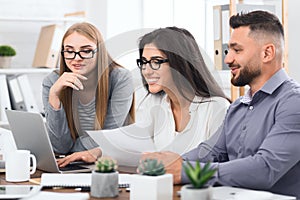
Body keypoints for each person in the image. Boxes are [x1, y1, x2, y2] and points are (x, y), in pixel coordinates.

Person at [141, 11, 300, 199]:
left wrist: (184, 170)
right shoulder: (239, 106)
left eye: (237, 50)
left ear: (267, 53)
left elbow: (265, 168)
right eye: (228, 50)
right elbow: (212, 151)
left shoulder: (293, 102)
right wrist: (171, 162)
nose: (227, 59)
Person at [111, 27, 230, 155]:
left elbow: (217, 162)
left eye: (156, 62)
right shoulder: (154, 103)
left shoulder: (217, 108)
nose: (146, 70)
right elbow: (132, 141)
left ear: (179, 63)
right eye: (144, 62)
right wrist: (98, 152)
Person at [42, 22, 135, 167]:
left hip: (109, 163)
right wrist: (54, 96)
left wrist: (72, 151)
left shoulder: (120, 78)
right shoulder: (53, 82)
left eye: (86, 51)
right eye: (69, 50)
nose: (76, 58)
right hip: (70, 164)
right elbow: (59, 146)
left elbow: (108, 137)